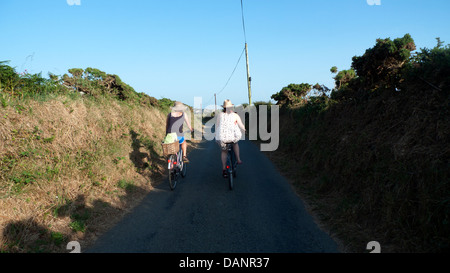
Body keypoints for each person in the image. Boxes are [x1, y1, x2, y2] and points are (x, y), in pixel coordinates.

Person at [215, 99, 246, 178]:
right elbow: (241, 125)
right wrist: (244, 130)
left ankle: (224, 169)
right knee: (235, 144)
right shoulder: (235, 115)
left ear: (224, 107)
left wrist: (216, 134)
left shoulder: (220, 115)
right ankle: (238, 159)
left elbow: (217, 126)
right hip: (233, 137)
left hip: (222, 138)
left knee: (224, 151)